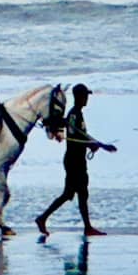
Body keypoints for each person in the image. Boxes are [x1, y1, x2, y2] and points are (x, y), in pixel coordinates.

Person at [35, 83, 117, 238]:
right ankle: (45, 219)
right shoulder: (74, 115)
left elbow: (83, 135)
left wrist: (99, 145)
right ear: (78, 97)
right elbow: (76, 137)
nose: (87, 99)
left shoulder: (77, 114)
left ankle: (47, 219)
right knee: (74, 194)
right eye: (85, 96)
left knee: (75, 194)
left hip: (78, 160)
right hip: (74, 161)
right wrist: (96, 145)